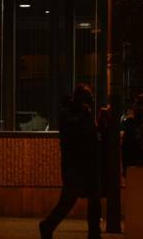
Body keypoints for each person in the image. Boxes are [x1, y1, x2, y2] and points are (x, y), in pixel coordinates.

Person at [40, 84, 102, 239]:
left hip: (87, 164)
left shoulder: (84, 113)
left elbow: (90, 134)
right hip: (74, 166)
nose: (89, 102)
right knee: (68, 200)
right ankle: (48, 225)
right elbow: (74, 133)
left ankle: (94, 232)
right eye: (87, 98)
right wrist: (83, 116)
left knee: (94, 199)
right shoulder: (67, 114)